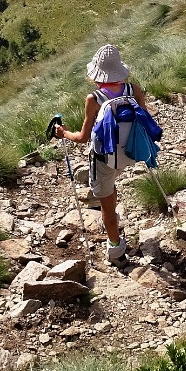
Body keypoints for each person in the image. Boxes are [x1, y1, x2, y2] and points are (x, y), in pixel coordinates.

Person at [55, 44, 153, 264]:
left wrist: (63, 133)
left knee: (107, 206)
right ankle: (113, 217)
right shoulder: (133, 90)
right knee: (113, 181)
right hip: (131, 152)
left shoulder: (94, 99)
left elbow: (82, 137)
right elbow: (145, 119)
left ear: (97, 74)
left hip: (104, 159)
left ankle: (116, 251)